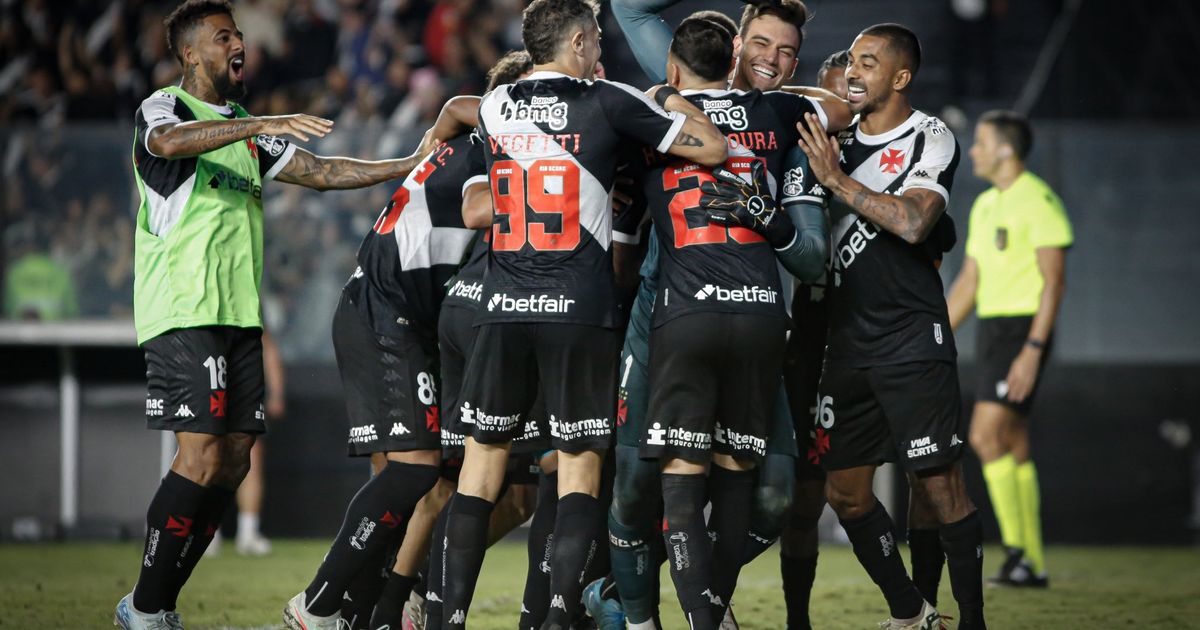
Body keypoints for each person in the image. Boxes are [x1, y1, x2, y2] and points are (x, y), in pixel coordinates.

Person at [115, 1, 438, 628]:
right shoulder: (167, 108)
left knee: (233, 460)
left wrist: (409, 165)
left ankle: (158, 604)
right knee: (202, 456)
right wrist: (263, 121)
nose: (238, 44)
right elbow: (167, 143)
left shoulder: (243, 128)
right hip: (182, 306)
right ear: (190, 53)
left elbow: (322, 171)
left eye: (239, 34)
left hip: (238, 316)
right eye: (223, 37)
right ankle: (146, 606)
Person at [439, 1, 728, 629]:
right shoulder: (609, 100)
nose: (601, 53)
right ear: (576, 41)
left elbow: (470, 134)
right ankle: (561, 615)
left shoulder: (495, 105)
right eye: (596, 41)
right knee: (577, 470)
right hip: (579, 310)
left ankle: (447, 620)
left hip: (502, 306)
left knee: (479, 470)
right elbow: (711, 150)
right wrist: (668, 99)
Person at [602, 2, 849, 629]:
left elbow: (814, 259)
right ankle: (636, 612)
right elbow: (631, 7)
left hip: (743, 320)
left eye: (787, 51)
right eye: (761, 43)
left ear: (798, 61)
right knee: (635, 488)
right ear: (735, 46)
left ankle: (697, 600)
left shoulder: (779, 122)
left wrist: (773, 217)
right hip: (660, 319)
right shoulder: (694, 103)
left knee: (771, 500)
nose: (772, 58)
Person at [796, 23, 987, 629]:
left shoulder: (930, 135)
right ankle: (913, 611)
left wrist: (837, 183)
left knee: (937, 486)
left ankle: (974, 620)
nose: (854, 72)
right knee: (845, 492)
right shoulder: (831, 140)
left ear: (900, 78)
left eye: (869, 63)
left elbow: (911, 223)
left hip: (911, 336)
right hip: (845, 345)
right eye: (851, 60)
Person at [946, 109, 1071, 588]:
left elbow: (1054, 283)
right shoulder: (985, 206)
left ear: (1005, 149)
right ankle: (1029, 563)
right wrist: (932, 334)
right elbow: (969, 284)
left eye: (980, 142)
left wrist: (1033, 349)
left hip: (1022, 333)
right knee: (1013, 442)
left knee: (984, 436)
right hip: (995, 332)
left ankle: (1018, 554)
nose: (973, 150)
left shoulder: (1039, 201)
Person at [776, 47, 848, 630]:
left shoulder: (878, 165)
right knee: (795, 495)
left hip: (866, 341)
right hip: (799, 337)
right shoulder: (786, 157)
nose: (823, 119)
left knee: (821, 496)